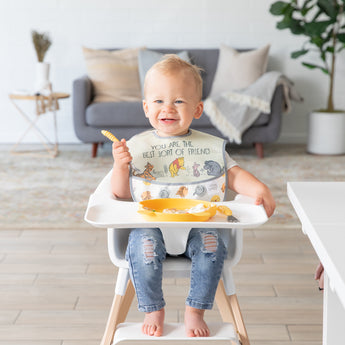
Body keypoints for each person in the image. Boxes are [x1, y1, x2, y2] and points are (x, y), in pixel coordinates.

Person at [110, 55, 275, 338]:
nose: (168, 108)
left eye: (179, 101)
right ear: (146, 107)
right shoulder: (137, 147)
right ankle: (152, 308)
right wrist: (120, 166)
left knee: (213, 247)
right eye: (159, 101)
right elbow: (121, 194)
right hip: (152, 225)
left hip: (200, 223)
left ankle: (196, 309)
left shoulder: (208, 147)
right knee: (141, 248)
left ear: (197, 109)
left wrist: (260, 189)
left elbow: (232, 175)